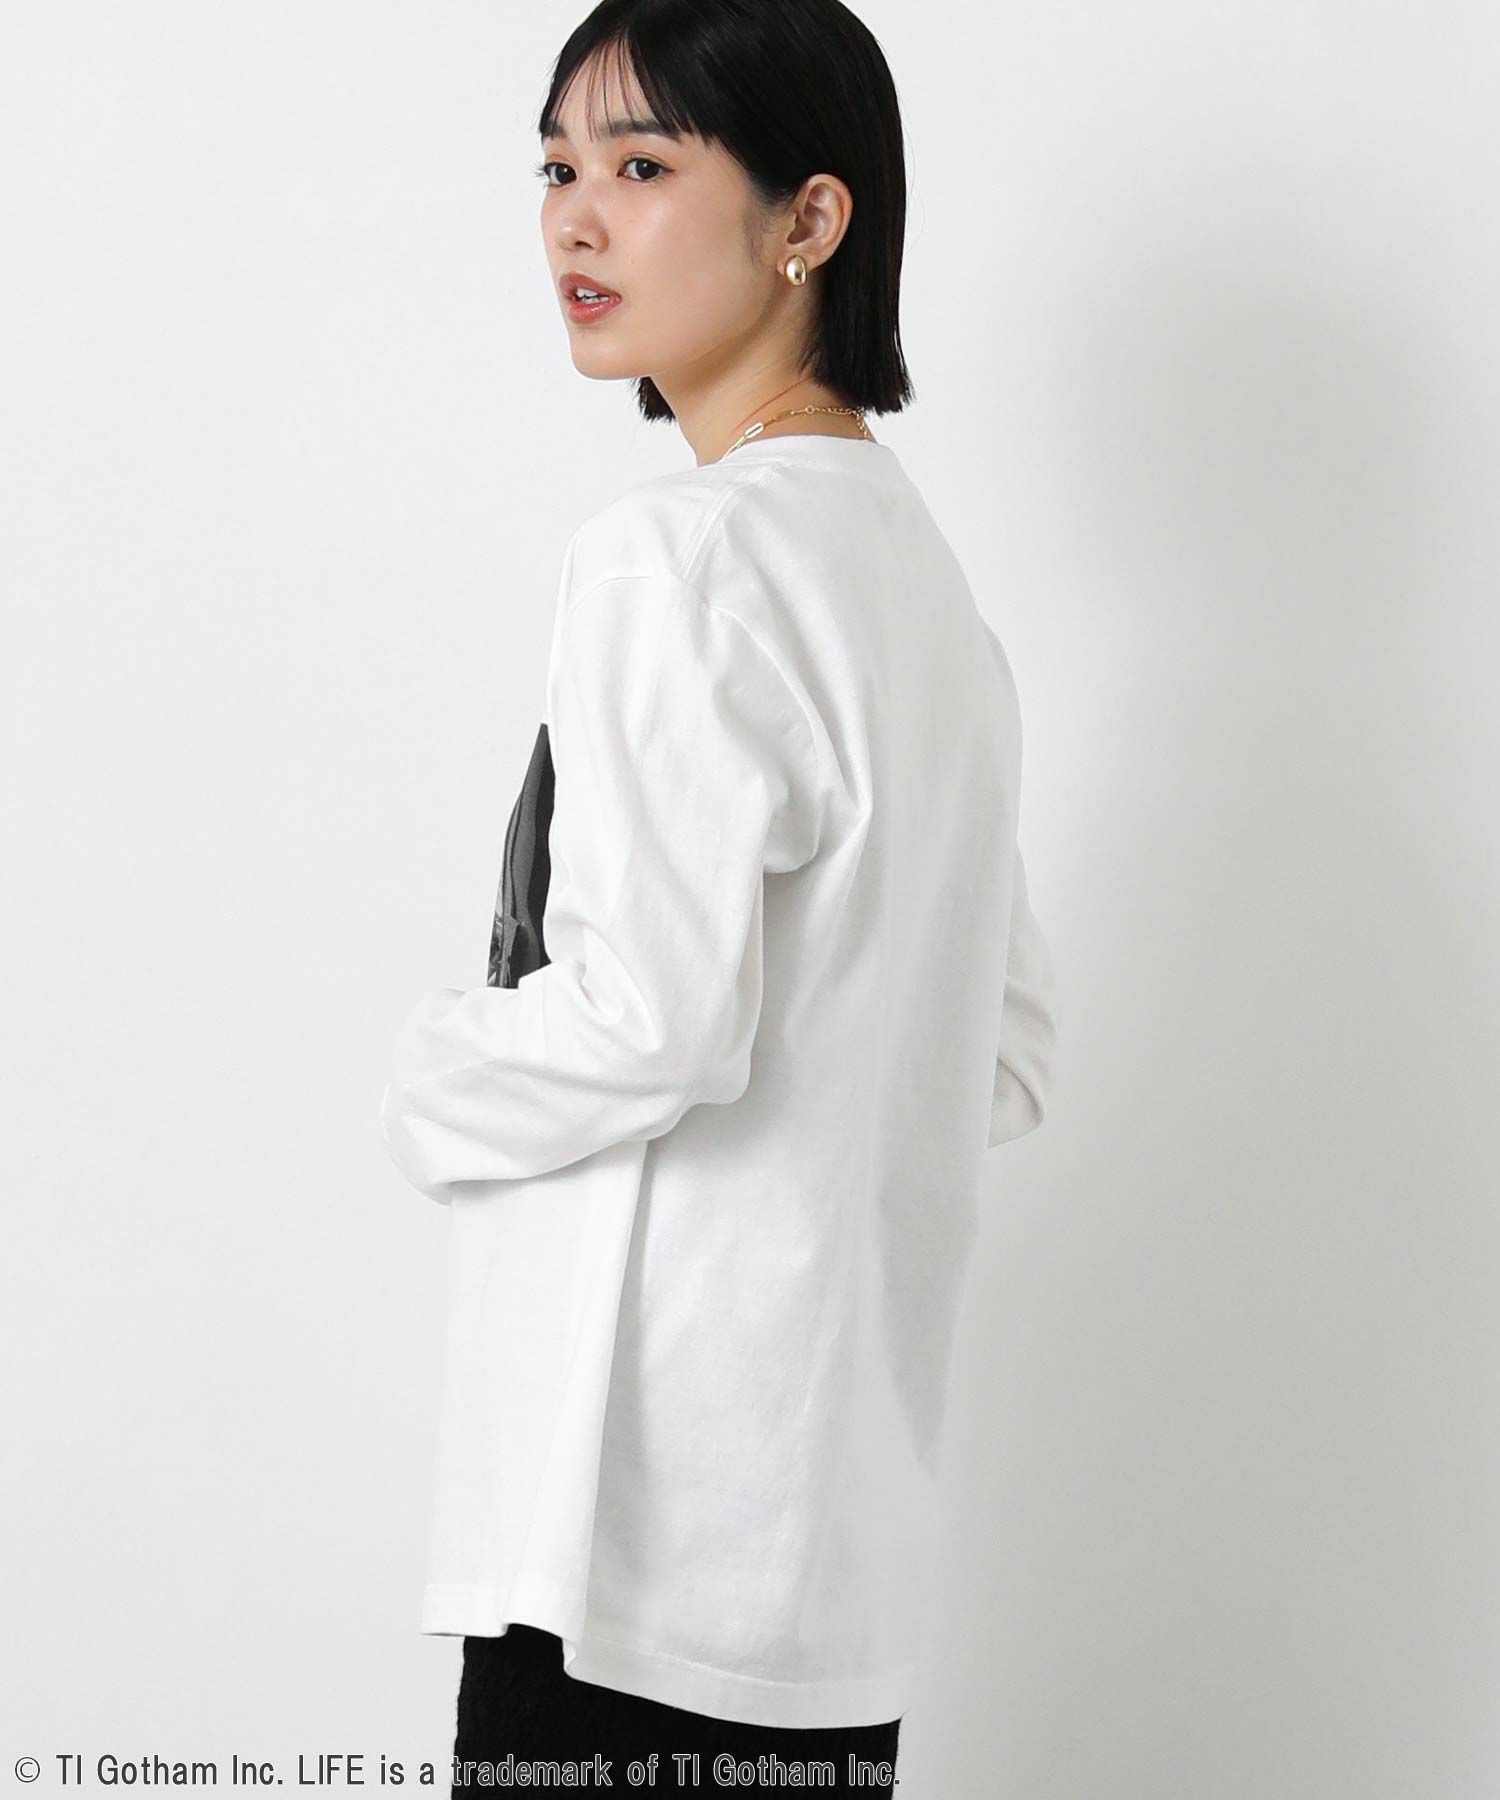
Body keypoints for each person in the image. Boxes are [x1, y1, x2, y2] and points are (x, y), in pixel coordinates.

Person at [379, 0, 1060, 1792]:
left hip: (624, 1544)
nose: (576, 218)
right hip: (825, 1572)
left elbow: (649, 1025)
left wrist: (434, 1073)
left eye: (644, 165)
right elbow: (1003, 1051)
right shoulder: (933, 604)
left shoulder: (673, 557)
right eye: (556, 168)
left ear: (809, 219)